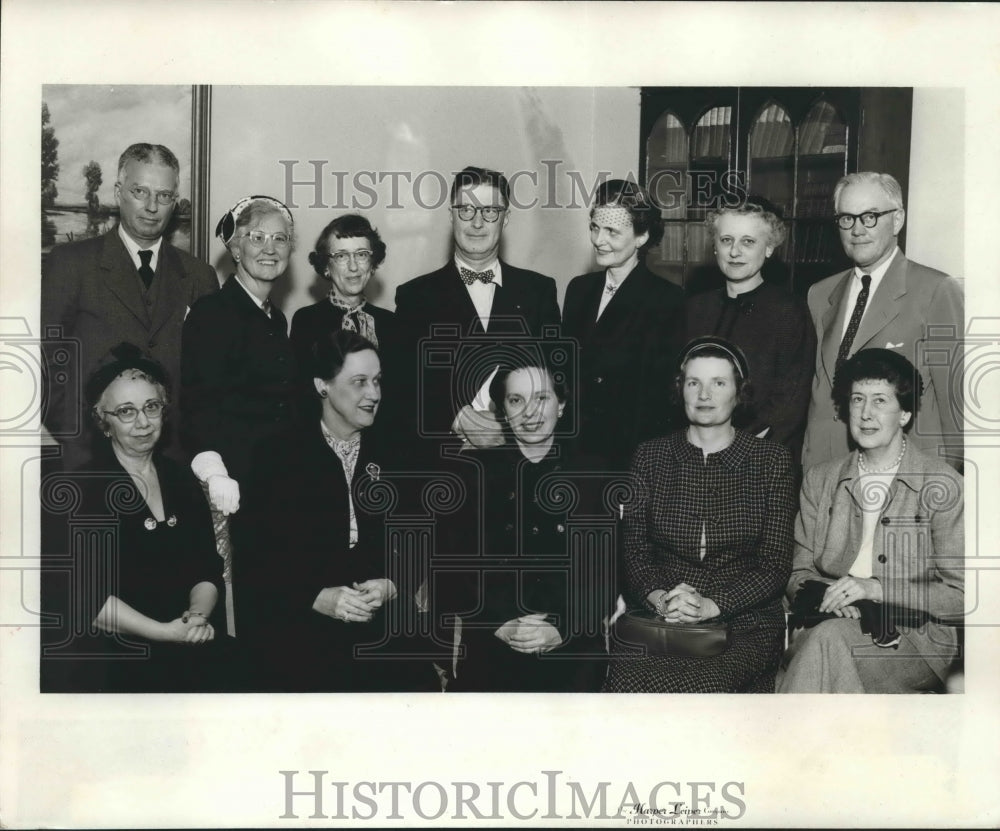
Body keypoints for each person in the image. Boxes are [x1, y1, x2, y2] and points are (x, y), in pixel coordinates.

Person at [238, 331, 436, 691]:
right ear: (322, 385)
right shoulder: (277, 456)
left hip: (383, 616)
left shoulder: (398, 450)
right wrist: (315, 597)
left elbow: (421, 537)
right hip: (302, 617)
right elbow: (257, 556)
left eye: (377, 381)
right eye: (359, 382)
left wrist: (393, 584)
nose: (373, 394)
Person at [604, 337, 795, 693]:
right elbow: (634, 552)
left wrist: (712, 605)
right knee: (627, 683)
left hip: (744, 622)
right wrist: (662, 599)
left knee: (704, 689)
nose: (704, 394)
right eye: (694, 383)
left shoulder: (771, 461)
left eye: (718, 383)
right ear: (681, 390)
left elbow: (774, 565)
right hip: (662, 616)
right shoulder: (650, 457)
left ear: (739, 392)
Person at [40, 344, 224, 692]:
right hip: (114, 656)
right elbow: (86, 599)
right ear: (103, 421)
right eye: (126, 411)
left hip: (189, 639)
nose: (142, 422)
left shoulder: (181, 479)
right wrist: (165, 633)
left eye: (151, 407)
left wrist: (197, 618)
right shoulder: (79, 490)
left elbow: (207, 568)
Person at [779, 349, 964, 693]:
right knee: (828, 643)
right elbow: (797, 571)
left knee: (823, 647)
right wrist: (833, 599)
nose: (866, 413)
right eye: (857, 399)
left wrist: (875, 590)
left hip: (915, 637)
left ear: (905, 413)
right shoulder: (820, 480)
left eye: (880, 400)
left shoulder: (942, 484)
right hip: (830, 619)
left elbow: (961, 596)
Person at [432, 360, 608, 691]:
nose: (530, 412)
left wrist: (562, 628)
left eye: (542, 398)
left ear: (561, 405)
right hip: (493, 643)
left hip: (571, 646)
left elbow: (604, 574)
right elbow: (453, 569)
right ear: (503, 411)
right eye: (516, 400)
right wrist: (500, 623)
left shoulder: (593, 474)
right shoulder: (472, 474)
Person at [42, 143, 218, 470]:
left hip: (175, 461)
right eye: (140, 191)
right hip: (90, 459)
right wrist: (82, 440)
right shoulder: (71, 263)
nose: (152, 206)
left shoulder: (199, 276)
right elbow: (46, 365)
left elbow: (207, 381)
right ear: (118, 192)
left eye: (164, 195)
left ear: (174, 201)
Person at [180, 195, 299, 635]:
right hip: (233, 491)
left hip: (274, 487)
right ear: (234, 247)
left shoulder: (276, 318)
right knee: (241, 615)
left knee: (273, 610)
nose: (269, 248)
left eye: (280, 239)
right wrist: (214, 471)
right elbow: (198, 403)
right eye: (257, 237)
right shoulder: (212, 312)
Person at [802, 171, 964, 471]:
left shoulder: (936, 290)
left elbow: (957, 409)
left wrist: (947, 483)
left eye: (870, 217)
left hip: (907, 473)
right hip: (829, 471)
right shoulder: (820, 294)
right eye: (847, 218)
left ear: (898, 220)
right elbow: (821, 394)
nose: (857, 230)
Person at [394, 165, 561, 453]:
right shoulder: (414, 297)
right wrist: (459, 418)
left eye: (490, 211)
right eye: (466, 210)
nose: (477, 222)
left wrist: (510, 425)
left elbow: (555, 377)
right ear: (451, 216)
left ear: (506, 218)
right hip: (440, 462)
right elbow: (403, 385)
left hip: (520, 461)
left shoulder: (538, 291)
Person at [562, 179, 686, 471]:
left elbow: (658, 395)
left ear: (641, 237)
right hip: (574, 445)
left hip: (627, 452)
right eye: (595, 227)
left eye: (612, 231)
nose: (598, 240)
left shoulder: (666, 299)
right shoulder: (578, 289)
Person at [687, 199, 815, 460]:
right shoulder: (695, 308)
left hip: (760, 455)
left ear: (768, 248)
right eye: (726, 240)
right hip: (696, 451)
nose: (735, 252)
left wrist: (736, 448)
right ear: (715, 246)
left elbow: (790, 401)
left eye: (748, 242)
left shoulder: (789, 311)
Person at [290, 214, 399, 427]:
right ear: (326, 266)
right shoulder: (307, 320)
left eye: (362, 254)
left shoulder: (391, 323)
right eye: (341, 256)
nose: (353, 267)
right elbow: (301, 399)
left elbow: (398, 398)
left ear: (373, 264)